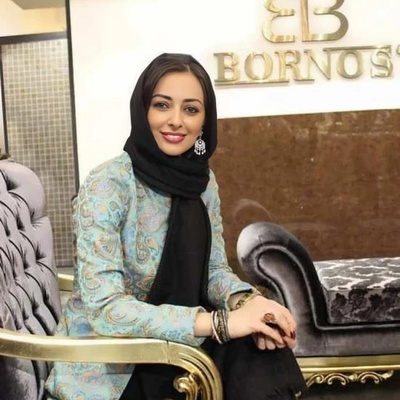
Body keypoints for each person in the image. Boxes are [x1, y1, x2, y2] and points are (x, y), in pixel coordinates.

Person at [45, 53, 307, 400]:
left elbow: (213, 271)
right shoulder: (108, 184)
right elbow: (106, 311)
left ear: (204, 121)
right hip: (112, 365)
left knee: (261, 345)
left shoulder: (202, 182)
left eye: (191, 109)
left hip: (179, 346)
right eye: (162, 105)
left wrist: (249, 304)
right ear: (143, 110)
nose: (176, 121)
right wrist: (220, 324)